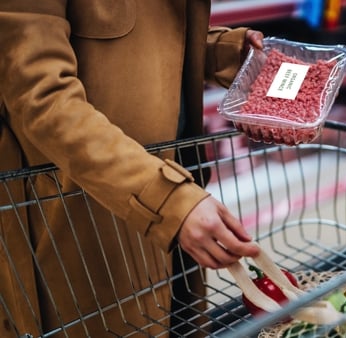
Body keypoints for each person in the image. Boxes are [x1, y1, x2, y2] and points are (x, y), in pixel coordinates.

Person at [0, 1, 265, 337]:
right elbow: (41, 98)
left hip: (174, 200)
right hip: (80, 226)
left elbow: (135, 41)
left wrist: (227, 55)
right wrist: (167, 199)